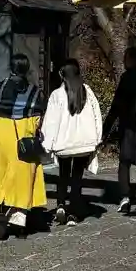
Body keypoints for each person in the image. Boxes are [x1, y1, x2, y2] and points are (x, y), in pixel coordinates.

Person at [0, 52, 47, 238]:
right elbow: (37, 119)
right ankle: (19, 222)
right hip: (22, 138)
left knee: (2, 173)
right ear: (27, 69)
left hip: (1, 135)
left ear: (11, 67)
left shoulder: (0, 87)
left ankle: (0, 209)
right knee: (23, 177)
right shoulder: (34, 91)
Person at [40, 55, 104, 226]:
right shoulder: (87, 91)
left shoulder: (57, 94)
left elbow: (51, 121)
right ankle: (74, 213)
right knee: (77, 177)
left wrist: (47, 143)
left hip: (63, 145)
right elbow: (97, 116)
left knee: (63, 175)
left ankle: (61, 204)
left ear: (62, 74)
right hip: (84, 144)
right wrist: (97, 138)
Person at [102, 42, 136, 215]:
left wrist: (106, 128)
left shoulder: (127, 77)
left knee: (124, 162)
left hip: (128, 125)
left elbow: (117, 104)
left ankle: (125, 196)